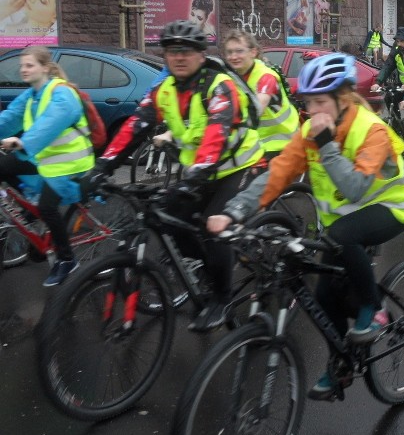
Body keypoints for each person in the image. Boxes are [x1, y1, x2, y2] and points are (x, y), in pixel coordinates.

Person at [207, 53, 404, 399]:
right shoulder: (309, 131)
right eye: (308, 102)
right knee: (324, 297)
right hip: (342, 226)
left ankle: (373, 307)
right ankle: (341, 366)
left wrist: (326, 145)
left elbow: (353, 188)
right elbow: (277, 175)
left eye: (321, 101)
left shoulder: (372, 130)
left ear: (345, 97)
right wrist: (234, 212)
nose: (314, 110)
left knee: (342, 237)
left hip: (391, 209)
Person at [82, 20, 264, 331]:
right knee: (169, 217)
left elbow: (216, 135)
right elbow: (135, 126)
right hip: (199, 170)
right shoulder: (164, 89)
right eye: (171, 51)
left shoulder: (219, 85)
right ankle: (208, 268)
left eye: (187, 51)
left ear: (201, 54)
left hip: (237, 166)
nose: (179, 57)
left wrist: (191, 180)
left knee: (213, 226)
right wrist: (102, 167)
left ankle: (221, 298)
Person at [0, 46, 94, 286]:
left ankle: (67, 259)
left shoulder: (63, 94)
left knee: (48, 206)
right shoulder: (31, 95)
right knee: (2, 165)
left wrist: (22, 142)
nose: (23, 69)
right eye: (21, 65)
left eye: (29, 65)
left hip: (71, 163)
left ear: (44, 67)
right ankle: (31, 209)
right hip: (45, 158)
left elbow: (50, 123)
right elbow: (9, 118)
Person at [220, 29, 299, 161]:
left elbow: (257, 109)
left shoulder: (266, 76)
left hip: (281, 144)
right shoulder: (232, 76)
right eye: (229, 52)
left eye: (239, 51)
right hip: (256, 143)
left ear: (253, 52)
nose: (233, 57)